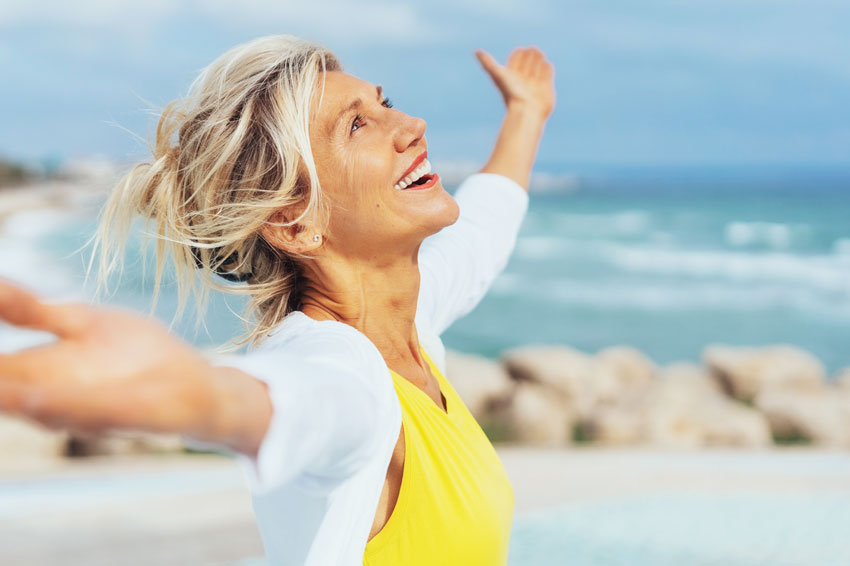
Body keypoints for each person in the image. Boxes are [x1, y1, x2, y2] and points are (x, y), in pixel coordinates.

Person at [0, 35, 555, 565]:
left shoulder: (408, 329)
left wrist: (526, 113)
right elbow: (287, 402)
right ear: (295, 223)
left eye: (386, 104)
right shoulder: (348, 374)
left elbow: (483, 230)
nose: (412, 125)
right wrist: (174, 389)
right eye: (358, 124)